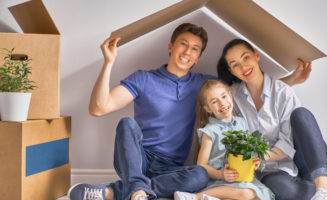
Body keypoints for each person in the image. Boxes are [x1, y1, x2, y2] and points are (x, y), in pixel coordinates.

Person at [67, 23, 308, 200]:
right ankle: (134, 188)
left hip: (172, 167)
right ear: (171, 47)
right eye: (183, 44)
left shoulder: (204, 86)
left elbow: (247, 89)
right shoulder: (143, 78)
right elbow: (99, 109)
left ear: (197, 58)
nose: (187, 51)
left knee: (200, 176)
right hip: (138, 158)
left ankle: (123, 191)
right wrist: (108, 62)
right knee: (126, 124)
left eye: (195, 49)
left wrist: (291, 81)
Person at [217, 38, 327, 200]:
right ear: (231, 71)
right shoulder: (232, 97)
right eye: (235, 64)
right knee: (285, 192)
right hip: (271, 172)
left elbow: (287, 145)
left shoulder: (283, 92)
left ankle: (323, 186)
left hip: (306, 160)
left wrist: (261, 156)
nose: (243, 67)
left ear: (256, 55)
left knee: (301, 114)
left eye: (246, 57)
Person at [174, 79, 274, 200]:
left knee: (259, 197)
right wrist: (221, 174)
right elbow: (201, 165)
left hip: (242, 179)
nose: (222, 103)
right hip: (220, 181)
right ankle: (194, 197)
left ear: (230, 96)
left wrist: (254, 162)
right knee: (247, 194)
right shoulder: (210, 131)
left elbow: (248, 152)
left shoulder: (242, 123)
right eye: (215, 101)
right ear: (208, 108)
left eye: (224, 96)